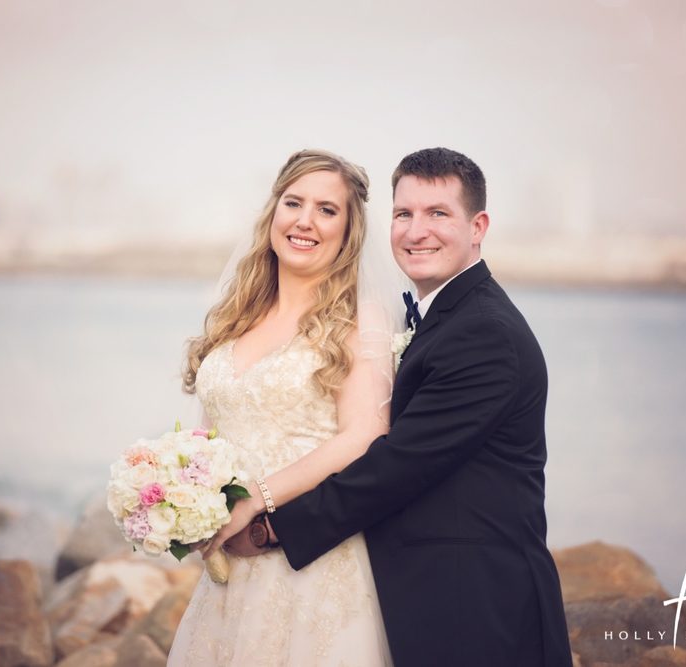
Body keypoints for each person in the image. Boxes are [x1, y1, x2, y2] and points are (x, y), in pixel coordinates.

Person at [213, 147, 574, 666]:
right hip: (437, 603)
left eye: (438, 214)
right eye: (404, 214)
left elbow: (396, 466)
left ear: (478, 226)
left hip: (481, 613)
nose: (416, 231)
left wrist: (271, 525)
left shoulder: (486, 335)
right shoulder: (442, 318)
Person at [166, 149, 396, 666]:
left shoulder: (362, 318)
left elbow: (363, 436)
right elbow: (211, 434)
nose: (305, 221)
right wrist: (177, 500)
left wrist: (256, 500)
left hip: (311, 562)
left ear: (349, 229)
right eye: (294, 202)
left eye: (326, 209)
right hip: (229, 568)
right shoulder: (238, 315)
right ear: (274, 212)